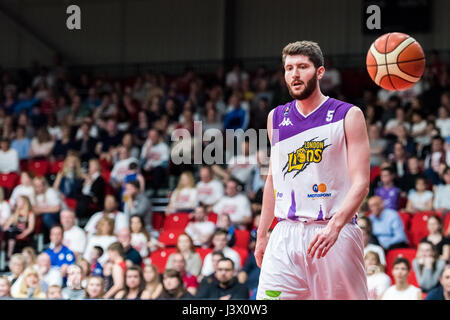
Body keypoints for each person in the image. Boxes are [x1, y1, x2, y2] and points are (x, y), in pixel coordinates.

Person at [255, 41, 370, 300]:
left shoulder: (348, 115)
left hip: (333, 232)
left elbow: (361, 183)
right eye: (288, 68)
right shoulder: (276, 117)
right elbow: (273, 180)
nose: (294, 74)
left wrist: (335, 226)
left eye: (302, 67)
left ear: (319, 72)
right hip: (284, 236)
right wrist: (262, 235)